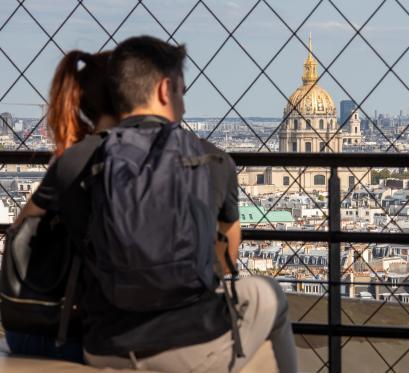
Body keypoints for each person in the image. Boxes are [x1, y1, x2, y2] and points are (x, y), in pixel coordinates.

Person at [16, 35, 298, 373]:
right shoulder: (214, 159)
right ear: (166, 90)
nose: (184, 104)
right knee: (269, 295)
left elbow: (24, 228)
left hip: (104, 347)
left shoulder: (75, 161)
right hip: (194, 348)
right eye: (182, 91)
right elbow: (225, 262)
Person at [6, 50, 117, 363]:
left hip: (45, 324)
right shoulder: (136, 160)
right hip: (90, 331)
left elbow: (20, 228)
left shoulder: (72, 158)